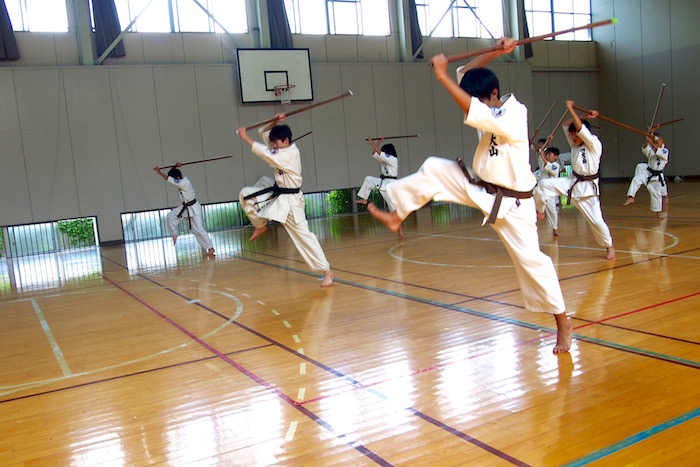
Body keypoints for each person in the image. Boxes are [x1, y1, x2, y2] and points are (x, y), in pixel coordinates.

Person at [367, 38, 572, 354]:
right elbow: (467, 72)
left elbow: (465, 96)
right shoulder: (489, 102)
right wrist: (495, 50)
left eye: (481, 101)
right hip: (482, 189)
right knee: (435, 168)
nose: (475, 107)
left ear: (494, 95)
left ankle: (562, 322)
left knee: (533, 262)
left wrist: (441, 77)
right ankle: (398, 215)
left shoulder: (514, 113)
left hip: (515, 204)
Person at [236, 114, 334, 287]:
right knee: (246, 195)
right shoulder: (280, 148)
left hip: (292, 202)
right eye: (273, 143)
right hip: (279, 194)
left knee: (304, 237)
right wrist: (275, 120)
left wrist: (244, 136)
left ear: (286, 140)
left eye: (277, 142)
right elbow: (263, 132)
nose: (274, 145)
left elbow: (263, 151)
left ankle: (327, 271)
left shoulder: (289, 154)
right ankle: (260, 225)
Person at [534, 100, 616, 260]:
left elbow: (579, 127)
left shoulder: (594, 143)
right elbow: (567, 124)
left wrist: (571, 109)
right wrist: (584, 115)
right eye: (571, 135)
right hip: (572, 182)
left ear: (583, 133)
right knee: (543, 185)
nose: (572, 137)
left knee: (597, 223)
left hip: (588, 191)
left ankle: (609, 245)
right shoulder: (575, 145)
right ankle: (541, 210)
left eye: (575, 135)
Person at [153, 163, 215, 258]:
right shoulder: (180, 181)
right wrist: (175, 166)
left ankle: (210, 248)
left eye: (175, 179)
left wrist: (159, 172)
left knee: (198, 229)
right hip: (186, 207)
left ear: (178, 177)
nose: (175, 181)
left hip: (194, 208)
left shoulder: (185, 182)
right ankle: (174, 234)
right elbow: (171, 177)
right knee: (170, 216)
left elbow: (169, 179)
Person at [356, 139, 403, 238]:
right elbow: (374, 152)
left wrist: (371, 142)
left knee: (393, 209)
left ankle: (400, 231)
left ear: (388, 151)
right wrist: (378, 142)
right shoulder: (384, 159)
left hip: (391, 186)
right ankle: (364, 198)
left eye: (384, 151)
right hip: (383, 182)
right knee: (368, 179)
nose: (383, 152)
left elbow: (379, 152)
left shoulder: (393, 159)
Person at [623, 132, 669, 219]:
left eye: (657, 142)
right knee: (637, 178)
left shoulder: (664, 150)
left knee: (656, 195)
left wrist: (651, 141)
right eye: (654, 142)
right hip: (648, 173)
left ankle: (658, 214)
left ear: (662, 143)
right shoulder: (652, 149)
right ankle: (631, 197)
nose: (655, 144)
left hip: (656, 177)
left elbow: (657, 150)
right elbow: (645, 148)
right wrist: (648, 141)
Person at [535, 147, 562, 236]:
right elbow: (541, 157)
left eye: (549, 155)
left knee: (552, 211)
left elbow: (548, 166)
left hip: (549, 192)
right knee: (533, 205)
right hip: (540, 190)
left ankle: (555, 228)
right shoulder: (543, 164)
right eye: (547, 154)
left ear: (555, 156)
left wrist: (542, 156)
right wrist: (541, 152)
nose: (547, 156)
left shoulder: (556, 166)